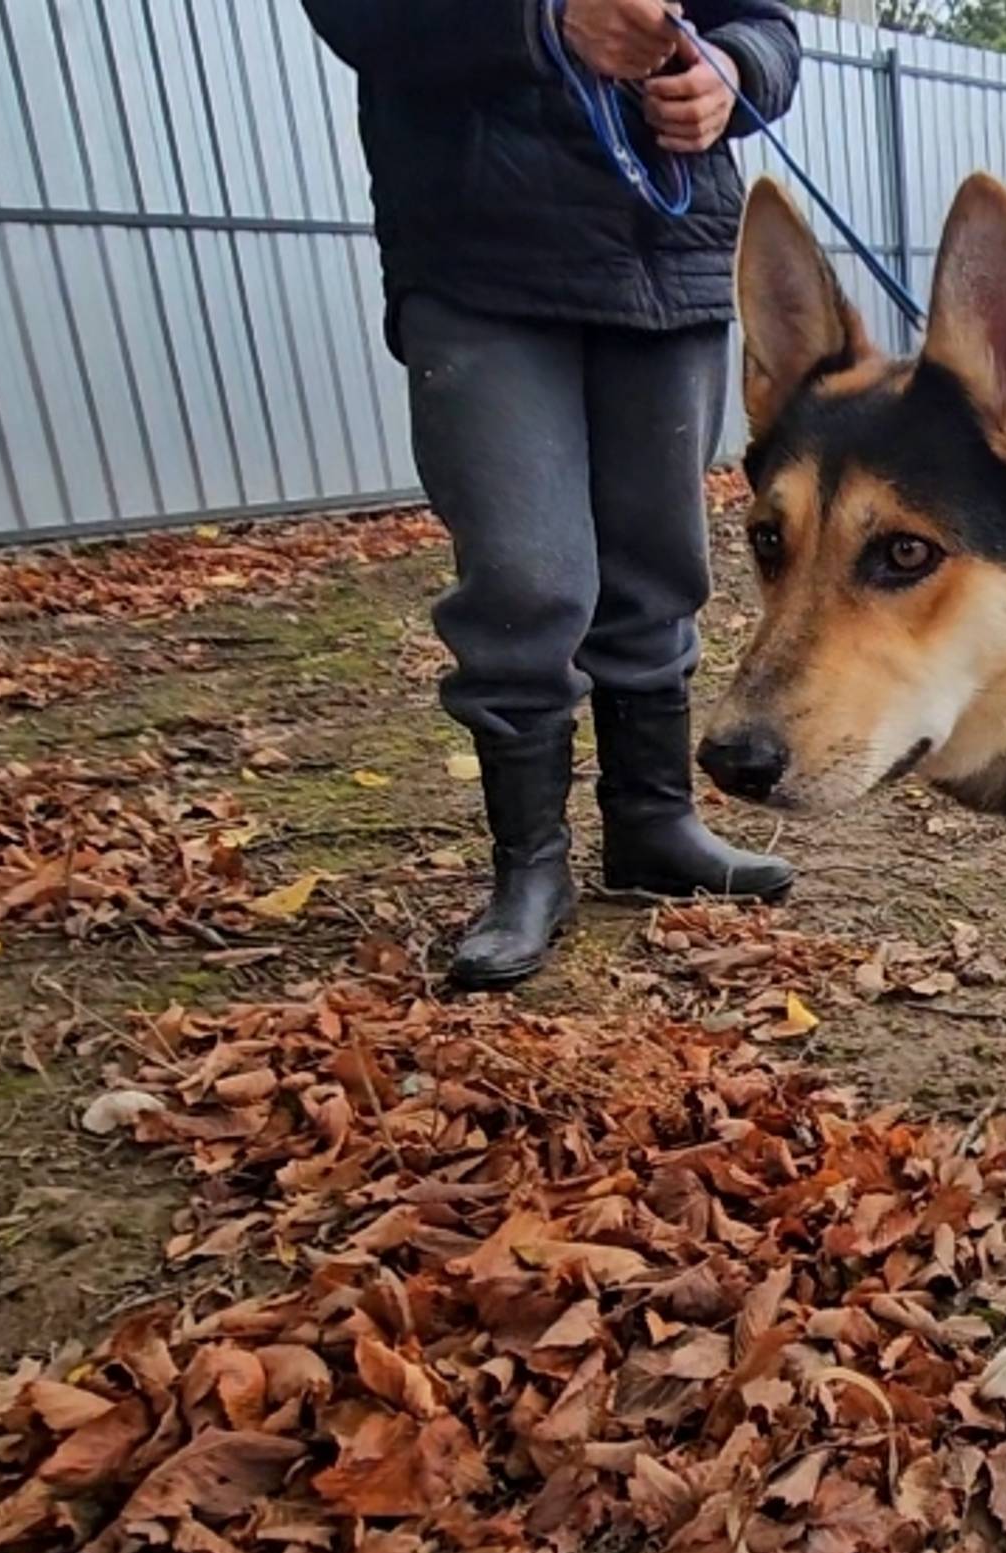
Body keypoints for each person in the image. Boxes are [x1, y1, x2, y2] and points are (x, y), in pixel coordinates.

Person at [301, 0, 801, 991]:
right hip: (485, 252)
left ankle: (652, 825)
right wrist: (543, 25)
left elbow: (767, 26)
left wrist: (733, 75)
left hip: (671, 246)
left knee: (661, 563)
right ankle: (531, 865)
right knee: (525, 576)